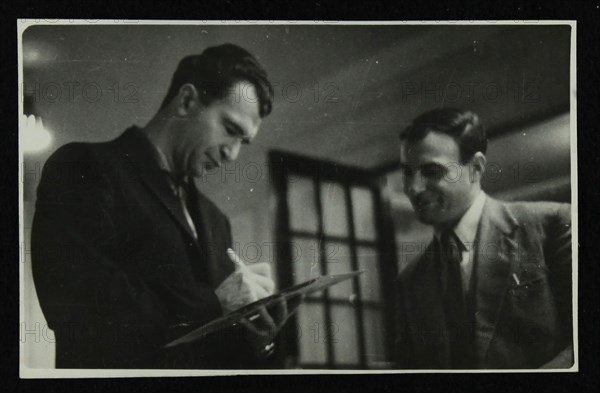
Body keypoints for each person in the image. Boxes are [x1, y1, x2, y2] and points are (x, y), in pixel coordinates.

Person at [31, 43, 293, 369]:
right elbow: (75, 304)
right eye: (230, 130)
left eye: (244, 141)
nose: (233, 154)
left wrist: (257, 340)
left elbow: (211, 345)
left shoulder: (216, 220)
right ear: (186, 101)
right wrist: (215, 302)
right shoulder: (83, 166)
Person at [394, 108, 572, 369]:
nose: (413, 188)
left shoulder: (553, 225)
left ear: (476, 168)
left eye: (431, 171)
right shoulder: (411, 280)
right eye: (408, 173)